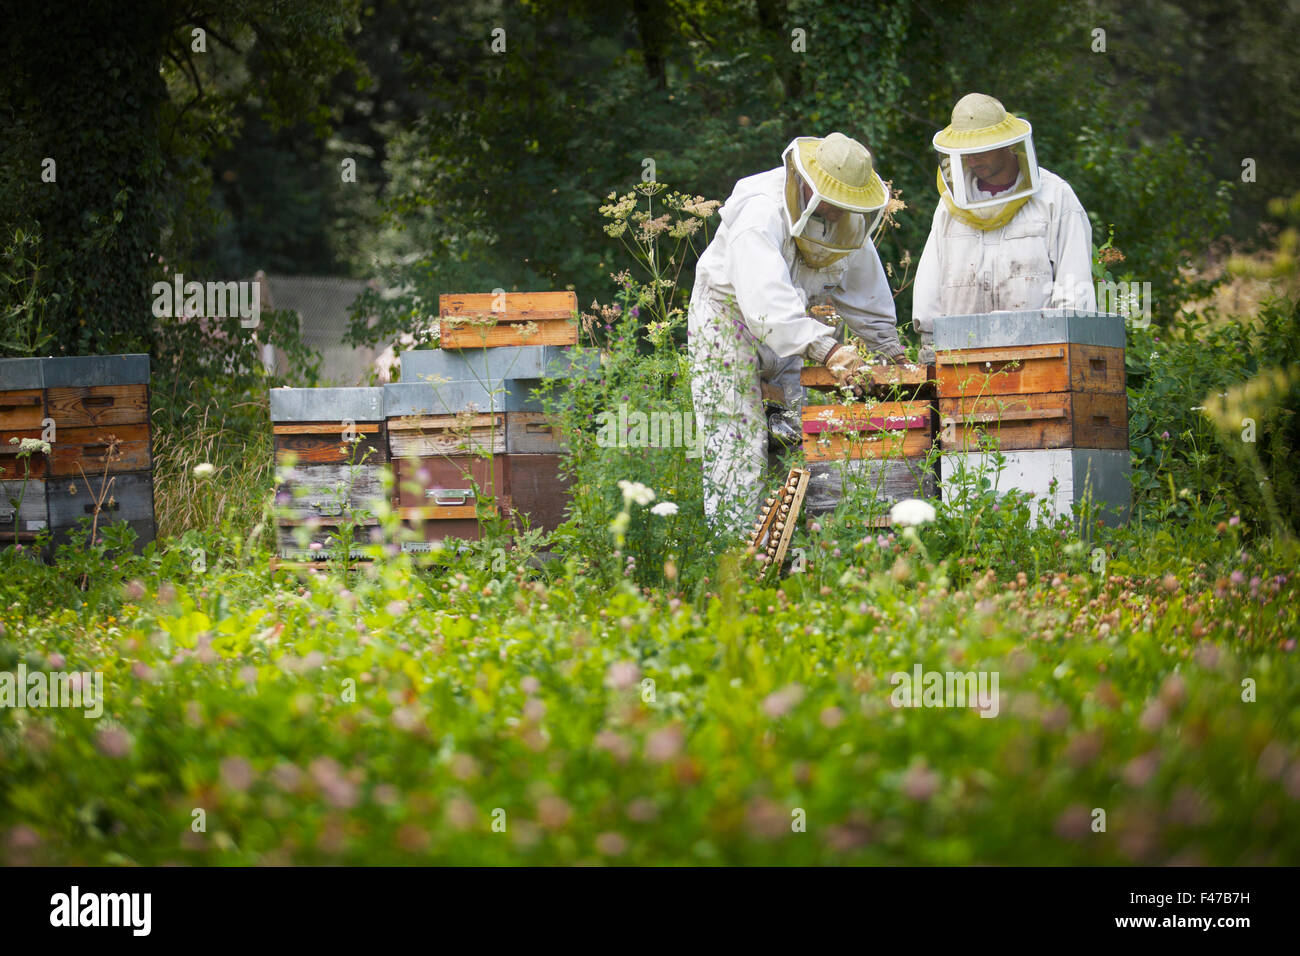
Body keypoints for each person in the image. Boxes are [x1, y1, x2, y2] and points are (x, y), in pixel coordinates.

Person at [688, 132, 905, 533]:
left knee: (792, 438)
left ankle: (784, 552)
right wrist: (828, 349)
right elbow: (765, 303)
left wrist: (891, 350)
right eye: (835, 202)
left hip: (789, 331)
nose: (840, 213)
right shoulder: (760, 212)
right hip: (728, 323)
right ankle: (734, 557)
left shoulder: (844, 219)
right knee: (737, 443)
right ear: (806, 182)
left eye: (847, 205)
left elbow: (863, 288)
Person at [912, 93, 1096, 354]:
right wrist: (929, 341)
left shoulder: (1055, 197)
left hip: (1038, 354)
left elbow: (1074, 284)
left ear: (1007, 144)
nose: (972, 160)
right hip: (962, 355)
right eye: (966, 152)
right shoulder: (951, 205)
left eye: (980, 149)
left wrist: (1068, 349)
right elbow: (930, 281)